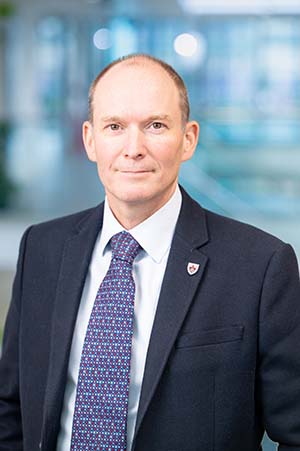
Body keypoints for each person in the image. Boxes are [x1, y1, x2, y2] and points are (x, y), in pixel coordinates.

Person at [0, 53, 300, 451]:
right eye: (115, 126)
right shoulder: (42, 248)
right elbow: (10, 408)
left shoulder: (261, 266)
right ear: (90, 139)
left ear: (189, 138)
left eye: (155, 125)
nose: (133, 147)